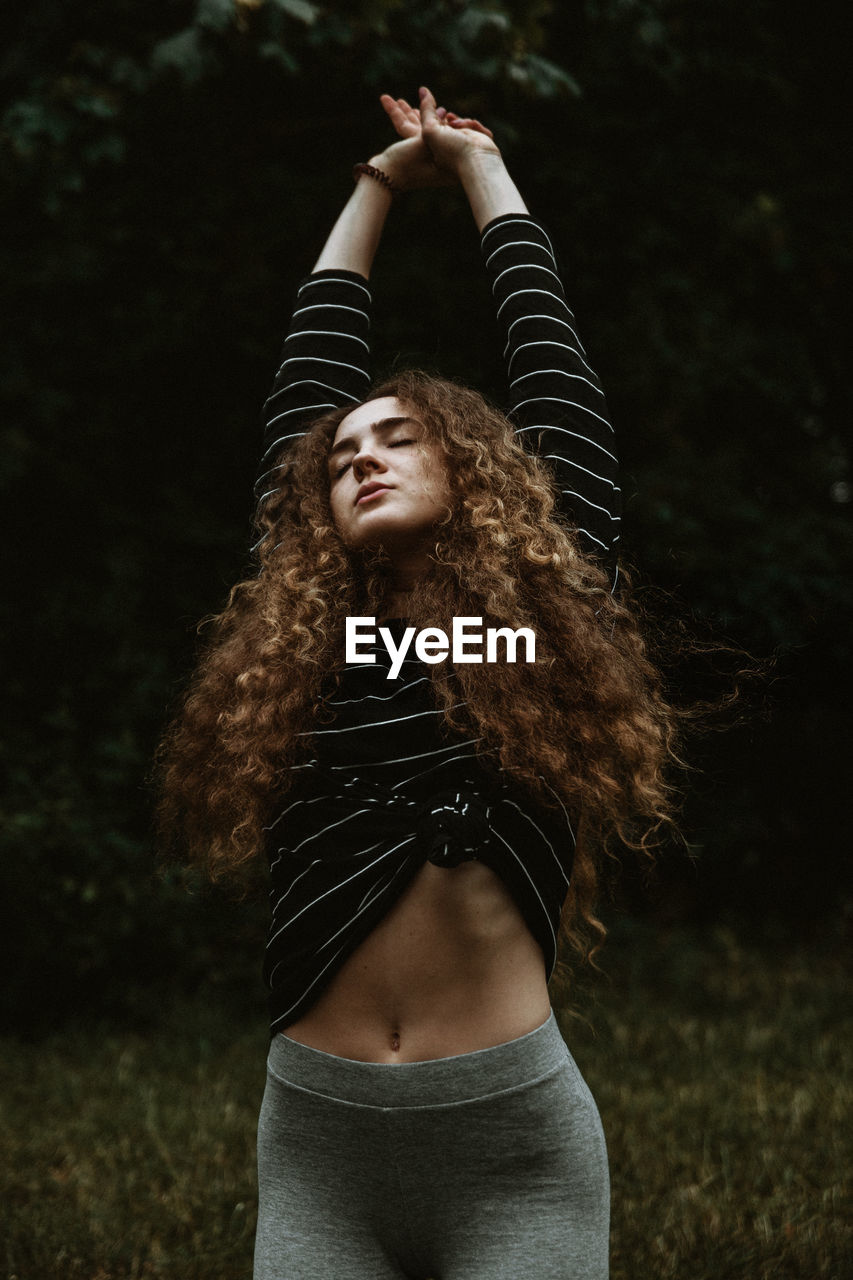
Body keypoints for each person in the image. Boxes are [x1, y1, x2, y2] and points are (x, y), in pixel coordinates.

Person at [157, 86, 680, 1280]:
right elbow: (309, 369)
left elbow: (555, 371)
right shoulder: (305, 632)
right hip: (319, 1144)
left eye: (396, 437)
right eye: (341, 457)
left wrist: (476, 165)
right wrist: (375, 184)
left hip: (513, 1144)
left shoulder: (546, 615)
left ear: (475, 468)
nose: (361, 459)